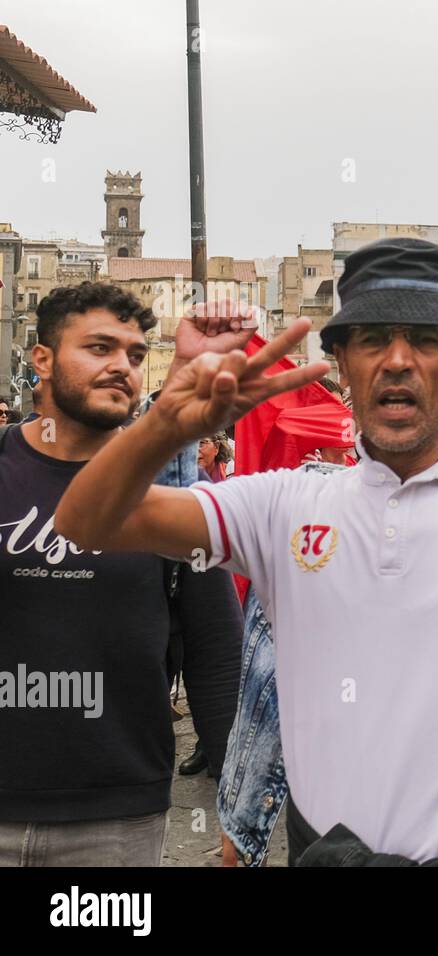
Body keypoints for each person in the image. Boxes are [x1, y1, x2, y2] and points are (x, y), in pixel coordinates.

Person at [55, 239, 438, 866]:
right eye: (373, 338)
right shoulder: (284, 507)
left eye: (428, 339)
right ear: (340, 363)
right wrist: (168, 417)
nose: (398, 361)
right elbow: (85, 523)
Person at [0, 281, 242, 866]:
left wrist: (237, 804)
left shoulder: (172, 494)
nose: (122, 368)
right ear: (43, 360)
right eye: (100, 348)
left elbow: (216, 654)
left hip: (117, 819)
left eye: (135, 355)